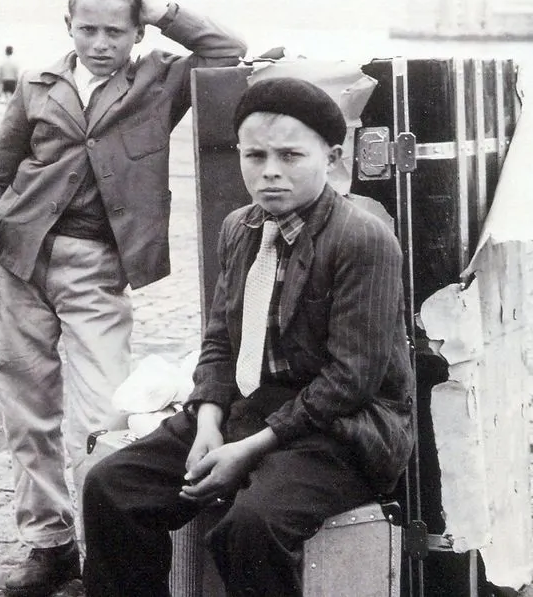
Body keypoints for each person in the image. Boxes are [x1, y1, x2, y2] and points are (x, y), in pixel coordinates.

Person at [0, 0, 246, 597]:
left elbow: (227, 51)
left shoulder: (159, 82)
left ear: (137, 33)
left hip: (96, 267)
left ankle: (103, 557)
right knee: (27, 412)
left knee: (105, 414)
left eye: (115, 31)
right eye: (87, 29)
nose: (99, 44)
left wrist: (161, 9)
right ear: (67, 25)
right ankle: (49, 546)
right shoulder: (36, 87)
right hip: (17, 259)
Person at [81, 77, 415, 597]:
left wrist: (248, 451)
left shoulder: (362, 239)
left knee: (250, 528)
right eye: (255, 155)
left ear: (331, 158)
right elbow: (220, 342)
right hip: (251, 407)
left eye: (290, 155)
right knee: (113, 487)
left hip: (342, 430)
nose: (270, 171)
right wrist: (208, 424)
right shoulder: (240, 228)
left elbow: (352, 380)